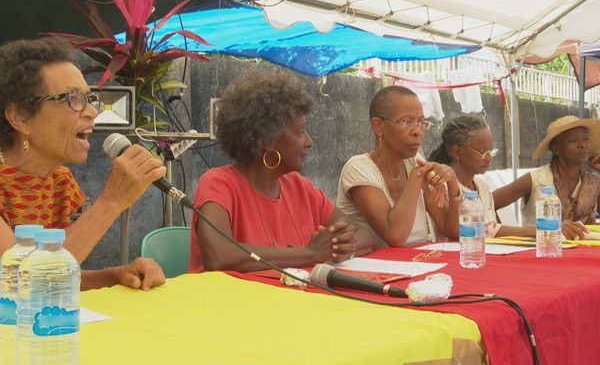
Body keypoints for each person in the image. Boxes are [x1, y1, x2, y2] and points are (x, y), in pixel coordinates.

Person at [0, 37, 166, 290]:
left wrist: (114, 276)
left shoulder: (59, 182)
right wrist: (112, 201)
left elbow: (53, 276)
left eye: (89, 99)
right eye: (73, 99)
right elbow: (21, 283)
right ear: (21, 117)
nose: (92, 112)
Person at [190, 68, 375, 272]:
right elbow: (219, 256)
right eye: (300, 132)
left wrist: (339, 246)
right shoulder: (218, 184)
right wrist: (310, 253)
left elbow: (365, 235)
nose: (309, 142)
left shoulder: (299, 186)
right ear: (267, 139)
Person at [336, 85, 460, 248]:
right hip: (373, 269)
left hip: (417, 263)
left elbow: (452, 230)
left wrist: (452, 183)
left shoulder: (415, 162)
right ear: (378, 126)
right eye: (406, 121)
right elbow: (395, 236)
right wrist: (416, 177)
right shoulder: (358, 168)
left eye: (421, 122)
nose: (418, 131)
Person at [493, 115, 600, 240]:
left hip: (584, 254)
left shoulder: (594, 182)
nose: (583, 145)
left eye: (586, 139)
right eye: (573, 141)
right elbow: (486, 204)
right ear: (556, 148)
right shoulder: (535, 179)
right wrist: (499, 238)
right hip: (542, 252)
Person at [428, 115, 535, 237]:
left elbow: (492, 228)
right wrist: (532, 231)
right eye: (482, 152)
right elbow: (462, 232)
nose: (489, 158)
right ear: (457, 152)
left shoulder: (482, 186)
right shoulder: (439, 186)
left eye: (491, 151)